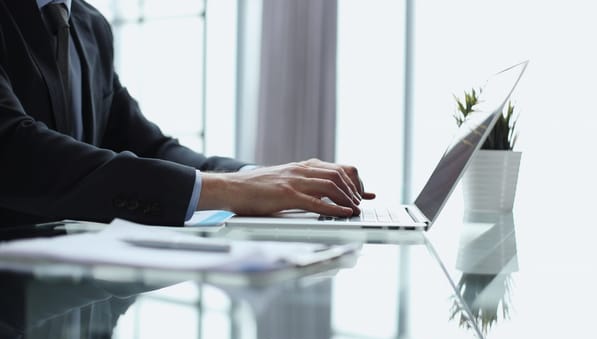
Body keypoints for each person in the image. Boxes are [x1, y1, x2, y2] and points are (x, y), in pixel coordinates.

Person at [0, 0, 375, 227]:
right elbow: (18, 152)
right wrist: (233, 190)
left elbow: (151, 146)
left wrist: (264, 178)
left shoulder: (89, 24)